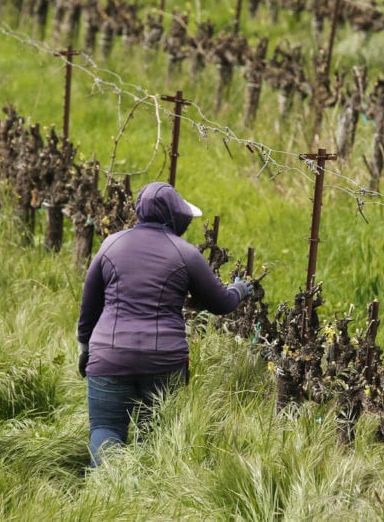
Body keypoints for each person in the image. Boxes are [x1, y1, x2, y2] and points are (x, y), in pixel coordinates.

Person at [76, 181, 253, 467]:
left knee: (105, 429)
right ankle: (150, 498)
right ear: (176, 217)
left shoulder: (111, 244)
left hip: (108, 356)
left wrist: (85, 347)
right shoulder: (186, 254)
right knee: (155, 434)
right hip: (163, 361)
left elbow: (89, 304)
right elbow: (221, 303)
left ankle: (106, 492)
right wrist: (240, 290)